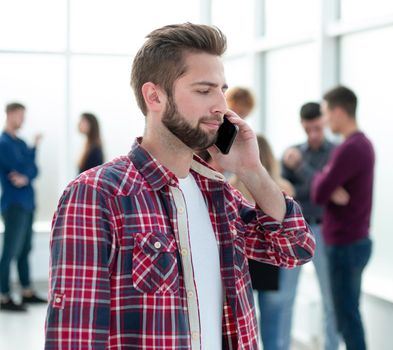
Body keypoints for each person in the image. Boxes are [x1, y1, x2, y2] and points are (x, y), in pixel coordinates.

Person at [45, 23, 315, 350]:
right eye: (204, 91)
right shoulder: (97, 194)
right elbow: (75, 337)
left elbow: (294, 247)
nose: (221, 106)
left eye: (221, 90)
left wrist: (252, 170)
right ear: (154, 96)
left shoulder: (219, 196)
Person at [311, 86, 375, 350]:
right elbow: (325, 190)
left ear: (338, 111)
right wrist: (326, 179)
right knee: (348, 315)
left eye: (326, 113)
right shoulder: (362, 144)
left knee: (347, 318)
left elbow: (318, 192)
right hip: (353, 241)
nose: (324, 121)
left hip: (345, 245)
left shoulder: (349, 148)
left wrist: (323, 177)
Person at [281, 102, 339, 350]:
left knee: (330, 298)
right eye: (308, 130)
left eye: (316, 128)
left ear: (324, 122)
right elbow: (285, 194)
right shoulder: (290, 152)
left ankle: (332, 347)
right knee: (286, 297)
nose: (313, 134)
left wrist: (302, 170)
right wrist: (318, 186)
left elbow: (327, 191)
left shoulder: (336, 153)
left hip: (325, 230)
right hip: (295, 230)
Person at [230, 134, 295, 350]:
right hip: (271, 260)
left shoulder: (232, 185)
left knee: (242, 324)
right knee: (272, 326)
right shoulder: (283, 188)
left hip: (244, 259)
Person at [0, 102, 46, 312]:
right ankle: (3, 295)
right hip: (14, 204)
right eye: (19, 115)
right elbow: (17, 167)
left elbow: (34, 170)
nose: (22, 120)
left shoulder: (22, 143)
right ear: (9, 115)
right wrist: (28, 166)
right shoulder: (4, 143)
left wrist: (26, 173)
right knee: (10, 250)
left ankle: (26, 291)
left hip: (27, 204)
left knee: (25, 249)